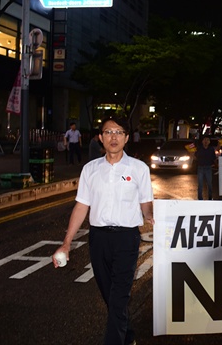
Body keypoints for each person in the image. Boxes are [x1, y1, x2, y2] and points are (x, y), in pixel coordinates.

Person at [53, 117, 154, 345]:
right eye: (108, 132)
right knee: (110, 296)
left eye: (119, 132)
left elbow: (146, 202)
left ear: (127, 138)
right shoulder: (90, 169)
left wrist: (149, 216)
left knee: (119, 297)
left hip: (127, 239)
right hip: (98, 239)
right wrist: (67, 242)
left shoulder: (139, 169)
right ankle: (127, 336)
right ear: (100, 137)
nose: (114, 137)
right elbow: (81, 206)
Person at [195, 136, 219, 200]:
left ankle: (210, 197)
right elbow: (195, 157)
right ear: (202, 141)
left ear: (209, 142)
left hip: (208, 168)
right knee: (200, 184)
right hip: (200, 167)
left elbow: (213, 158)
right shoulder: (199, 148)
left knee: (209, 184)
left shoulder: (211, 149)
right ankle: (200, 198)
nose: (206, 141)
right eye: (204, 140)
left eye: (207, 140)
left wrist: (217, 165)